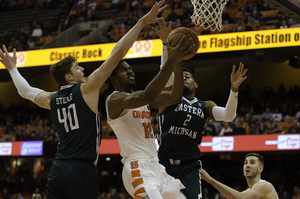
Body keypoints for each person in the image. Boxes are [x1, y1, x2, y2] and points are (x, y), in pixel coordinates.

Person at [0, 1, 168, 198]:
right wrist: (141, 22)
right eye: (77, 68)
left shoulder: (51, 98)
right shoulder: (87, 89)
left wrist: (12, 69)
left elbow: (25, 91)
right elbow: (117, 53)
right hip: (80, 170)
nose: (82, 70)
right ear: (68, 77)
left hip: (57, 169)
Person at [155, 19, 247, 199]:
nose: (185, 78)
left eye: (188, 76)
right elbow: (164, 74)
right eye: (182, 76)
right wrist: (165, 45)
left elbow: (228, 116)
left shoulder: (205, 105)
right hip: (164, 164)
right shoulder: (169, 99)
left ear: (196, 83)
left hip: (190, 166)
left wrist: (234, 90)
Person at [105, 21, 196, 198]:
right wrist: (171, 58)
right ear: (113, 77)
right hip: (137, 166)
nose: (130, 72)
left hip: (156, 165)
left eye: (131, 69)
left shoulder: (140, 97)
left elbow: (174, 97)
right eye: (124, 70)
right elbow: (146, 96)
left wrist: (177, 61)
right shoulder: (114, 99)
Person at [201, 153, 279, 199]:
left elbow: (240, 197)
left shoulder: (265, 186)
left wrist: (210, 179)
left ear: (260, 169)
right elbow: (234, 196)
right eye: (245, 163)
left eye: (252, 162)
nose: (247, 165)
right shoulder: (249, 191)